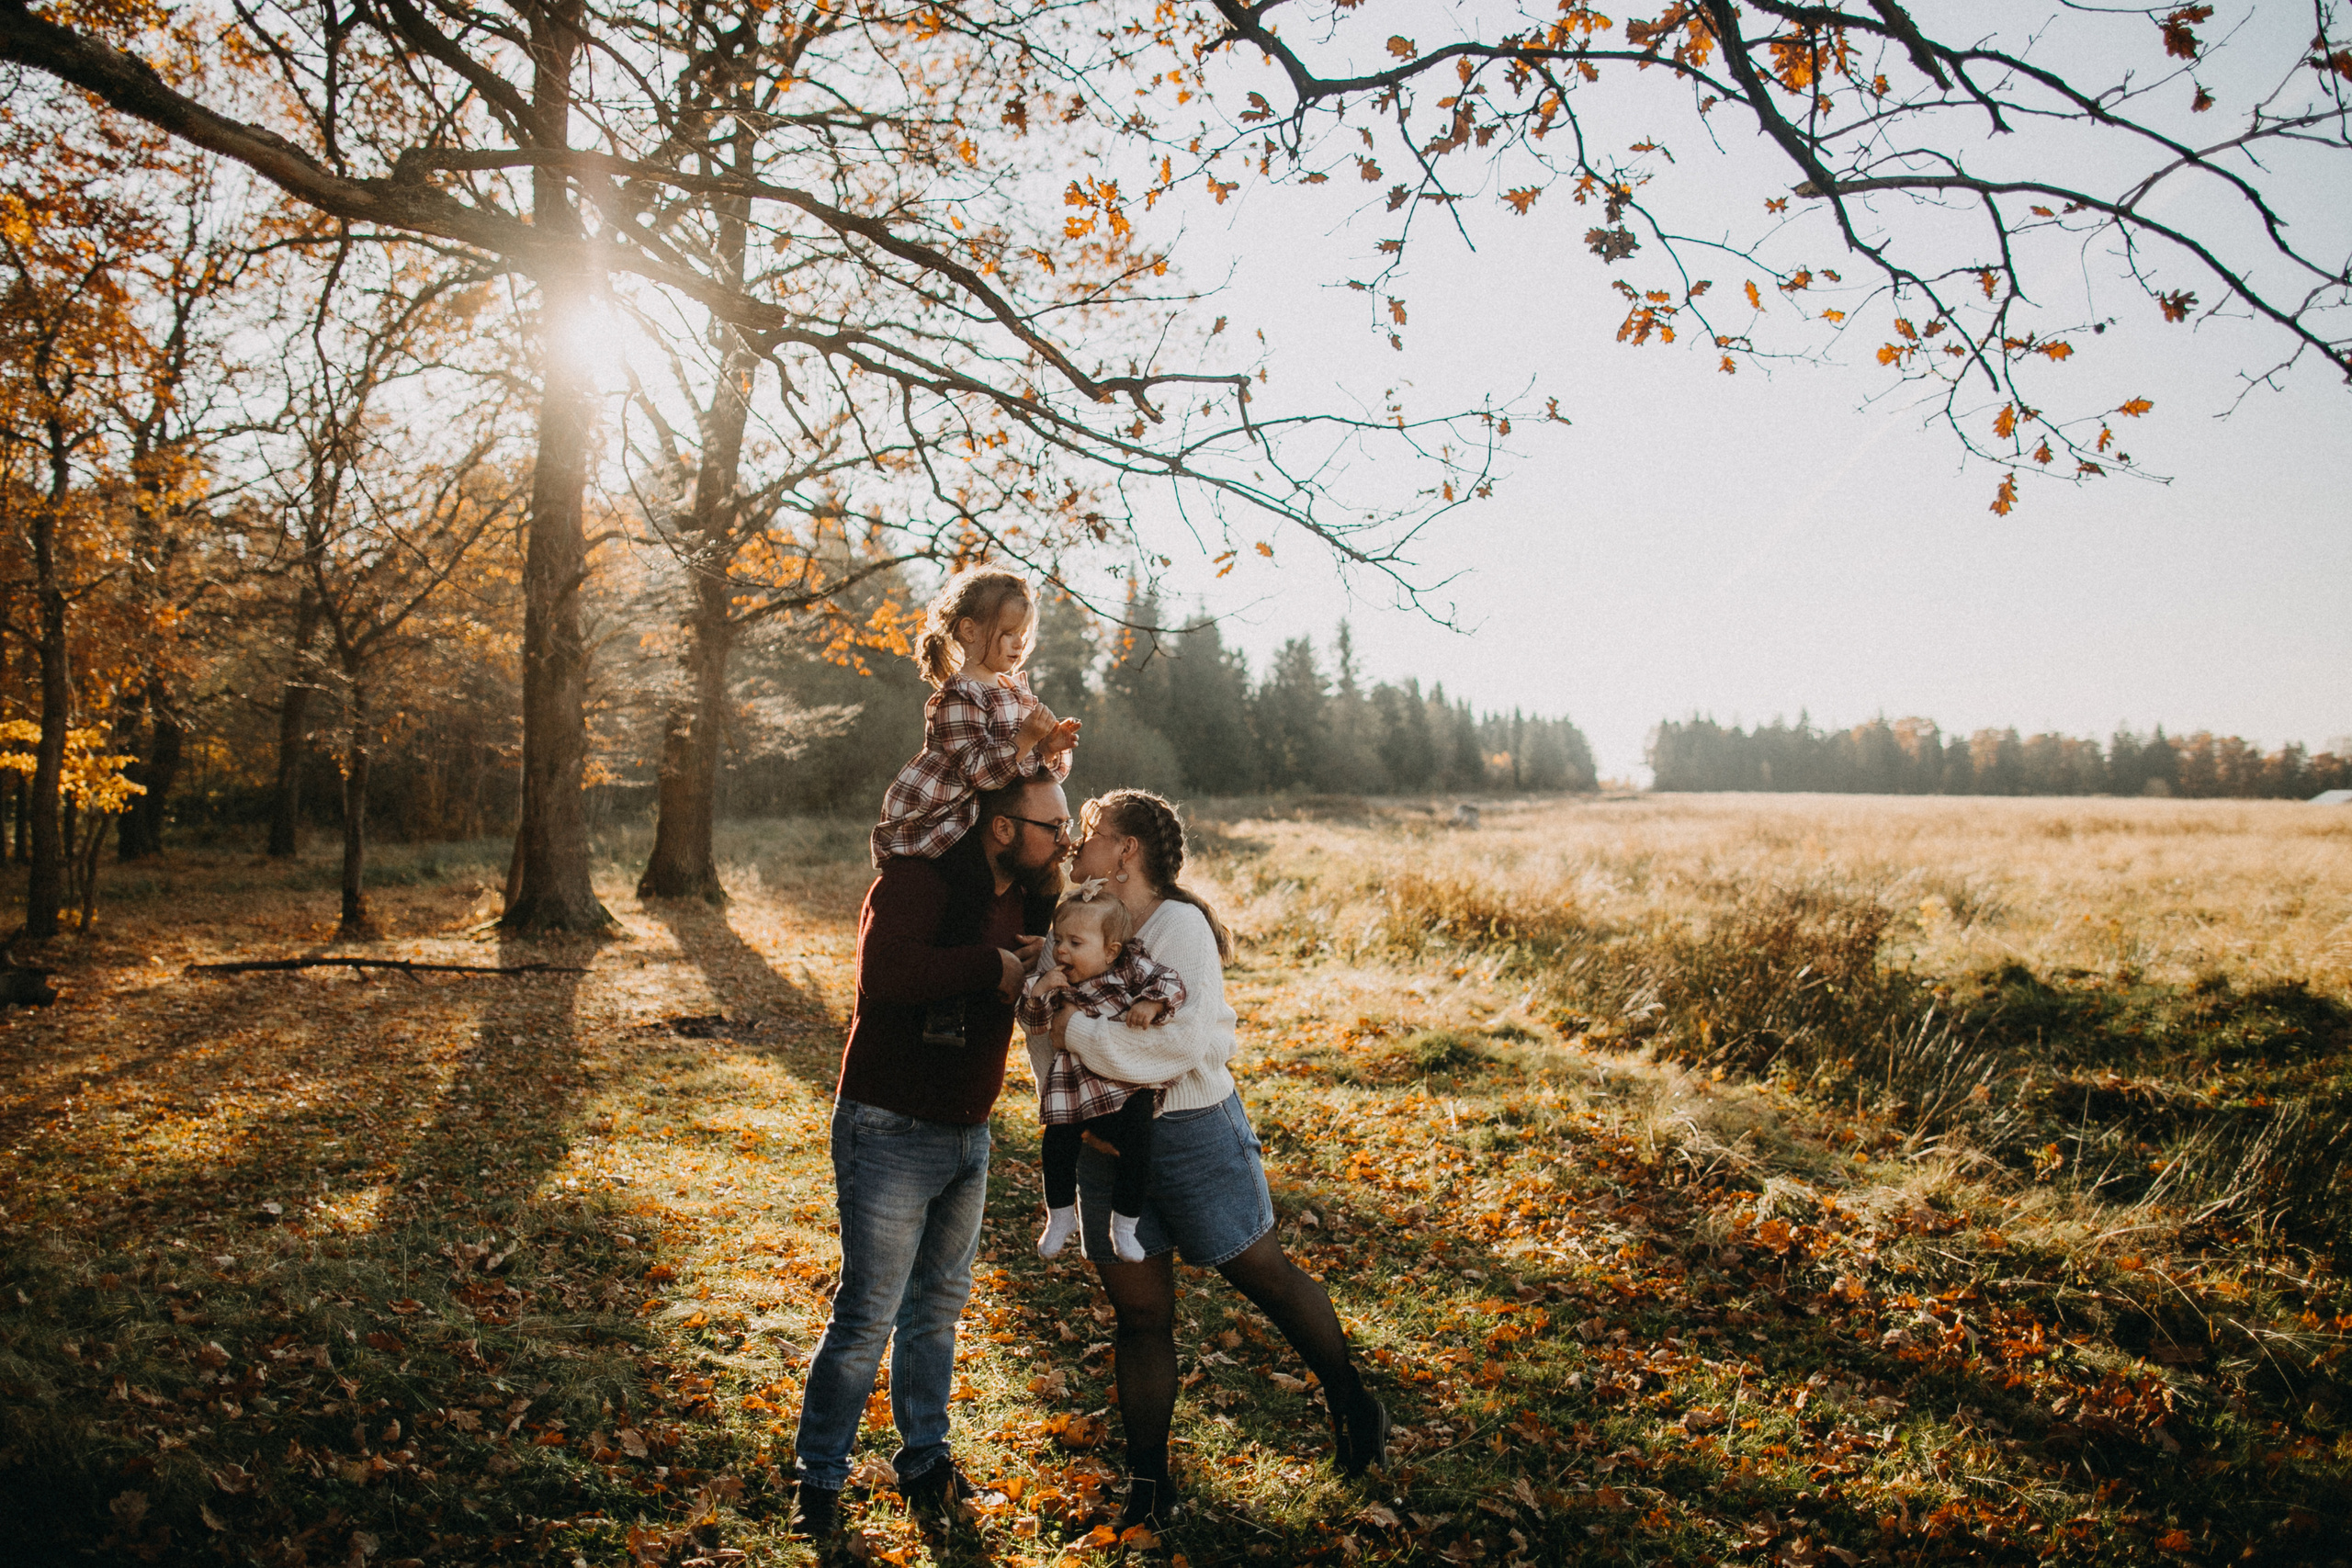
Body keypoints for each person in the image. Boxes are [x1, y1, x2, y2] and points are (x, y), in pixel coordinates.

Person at [1036, 788, 1390, 1529]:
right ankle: (1149, 1483)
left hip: (1192, 1131)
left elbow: (1178, 1046)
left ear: (1127, 849)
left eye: (1093, 831)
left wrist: (1082, 1040)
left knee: (1262, 1273)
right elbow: (1044, 1024)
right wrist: (1074, 1106)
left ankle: (1353, 1399)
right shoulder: (1073, 919)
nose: (1077, 841)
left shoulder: (1179, 927)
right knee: (1139, 1316)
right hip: (1103, 1144)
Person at [791, 773, 1070, 1542]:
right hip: (889, 1123)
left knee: (937, 1309)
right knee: (868, 1312)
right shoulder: (917, 879)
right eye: (1054, 826)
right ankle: (819, 1476)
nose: (1065, 842)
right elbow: (884, 974)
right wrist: (992, 968)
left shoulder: (1030, 898)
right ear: (1004, 826)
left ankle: (924, 1458)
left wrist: (1042, 957)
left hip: (966, 1128)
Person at [871, 566, 1080, 1050]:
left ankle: (1031, 956)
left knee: (1049, 876)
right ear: (969, 630)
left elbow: (1039, 777)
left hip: (989, 816)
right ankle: (947, 1007)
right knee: (968, 889)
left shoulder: (1014, 691)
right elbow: (982, 775)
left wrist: (1052, 745)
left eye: (1022, 637)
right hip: (950, 821)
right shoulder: (957, 696)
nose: (1016, 645)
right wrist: (1027, 738)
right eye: (1006, 634)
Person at [1014, 883, 1187, 1265]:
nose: (1061, 951)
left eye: (1075, 943)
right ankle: (1059, 1216)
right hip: (1075, 1081)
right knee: (1057, 1143)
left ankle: (1124, 1225)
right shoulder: (1058, 980)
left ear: (1111, 951)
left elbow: (1173, 982)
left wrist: (1152, 1002)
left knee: (1137, 1148)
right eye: (1059, 940)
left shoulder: (1130, 966)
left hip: (1127, 1080)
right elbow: (1033, 1024)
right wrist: (1041, 990)